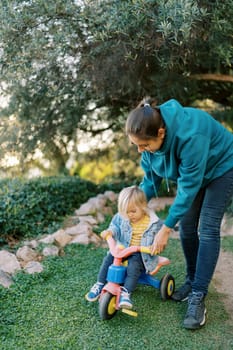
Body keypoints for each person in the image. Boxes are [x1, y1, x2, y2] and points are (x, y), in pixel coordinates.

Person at [125, 98, 233, 330]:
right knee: (186, 226)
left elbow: (188, 188)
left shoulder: (191, 135)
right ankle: (192, 280)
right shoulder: (148, 135)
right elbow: (151, 181)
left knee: (208, 226)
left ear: (161, 133)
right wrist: (131, 208)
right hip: (196, 174)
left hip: (222, 166)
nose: (139, 150)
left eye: (144, 145)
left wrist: (165, 229)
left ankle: (198, 296)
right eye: (136, 145)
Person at [85, 185, 163, 309]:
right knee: (108, 260)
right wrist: (110, 233)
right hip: (123, 249)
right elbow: (115, 226)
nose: (129, 215)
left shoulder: (153, 223)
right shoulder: (122, 217)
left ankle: (126, 293)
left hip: (141, 253)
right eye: (126, 212)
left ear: (143, 205)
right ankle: (100, 283)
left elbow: (159, 239)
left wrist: (154, 247)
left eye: (133, 211)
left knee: (133, 267)